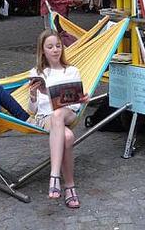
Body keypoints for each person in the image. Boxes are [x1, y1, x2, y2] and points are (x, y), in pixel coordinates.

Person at [28, 29, 89, 209]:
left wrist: (83, 99)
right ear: (43, 51)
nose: (55, 50)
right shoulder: (38, 73)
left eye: (58, 46)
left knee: (59, 112)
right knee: (68, 137)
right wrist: (32, 96)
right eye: (50, 47)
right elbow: (32, 110)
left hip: (68, 113)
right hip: (45, 118)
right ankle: (70, 188)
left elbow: (76, 105)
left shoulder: (72, 71)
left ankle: (54, 176)